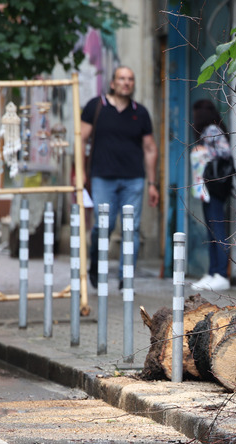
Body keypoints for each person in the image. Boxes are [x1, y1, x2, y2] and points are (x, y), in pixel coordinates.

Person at [81, 66, 159, 288]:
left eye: (130, 79)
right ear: (113, 83)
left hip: (133, 179)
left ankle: (126, 277)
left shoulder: (141, 112)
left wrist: (152, 184)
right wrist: (79, 174)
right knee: (102, 226)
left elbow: (150, 148)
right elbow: (81, 138)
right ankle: (96, 266)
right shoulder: (95, 107)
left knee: (131, 228)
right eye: (122, 79)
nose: (126, 83)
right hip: (102, 177)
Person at [190, 99, 233, 292]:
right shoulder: (211, 130)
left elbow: (225, 151)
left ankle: (221, 274)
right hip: (210, 187)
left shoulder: (212, 130)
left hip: (215, 186)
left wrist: (205, 150)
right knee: (212, 230)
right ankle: (213, 271)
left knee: (217, 230)